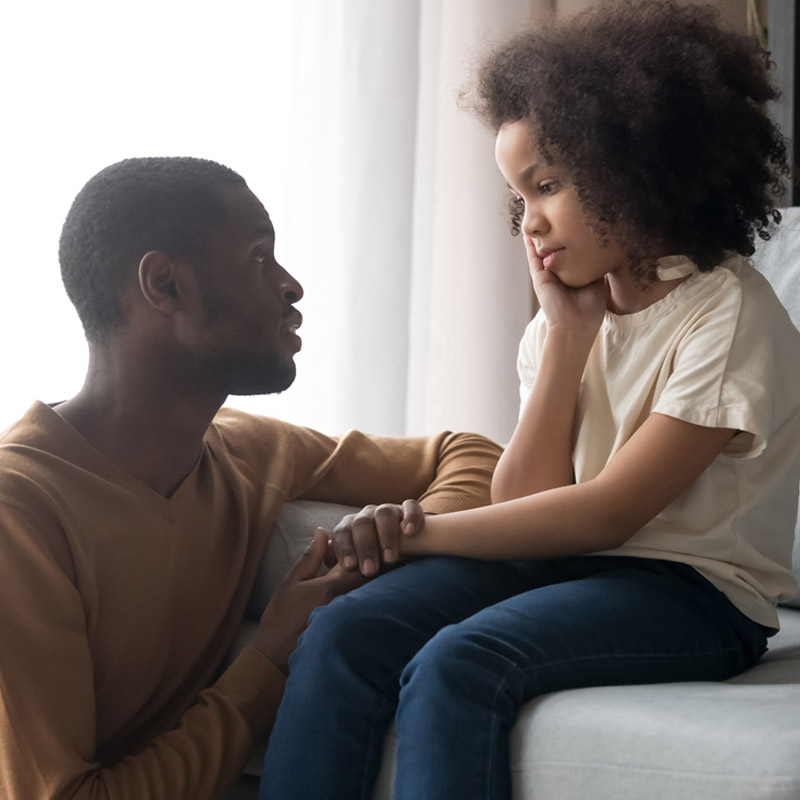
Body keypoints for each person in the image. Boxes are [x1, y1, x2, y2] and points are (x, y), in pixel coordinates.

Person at [259, 2, 800, 798]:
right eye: (518, 198)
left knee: (460, 662)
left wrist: (420, 535)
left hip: (694, 596)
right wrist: (567, 343)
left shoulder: (729, 314)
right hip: (567, 571)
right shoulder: (562, 324)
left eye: (547, 186)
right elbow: (526, 498)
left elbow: (608, 512)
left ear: (632, 165)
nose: (530, 223)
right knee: (343, 628)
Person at [0, 157, 502, 800]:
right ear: (165, 284)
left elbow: (465, 451)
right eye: (259, 258)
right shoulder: (23, 511)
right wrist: (267, 661)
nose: (291, 286)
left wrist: (413, 543)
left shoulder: (244, 451)